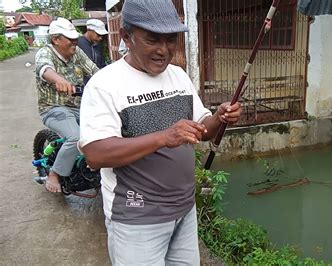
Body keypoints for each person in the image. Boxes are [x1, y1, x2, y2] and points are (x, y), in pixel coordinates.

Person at [78, 0, 242, 264]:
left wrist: (219, 117)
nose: (163, 50)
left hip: (184, 210)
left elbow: (201, 131)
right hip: (137, 219)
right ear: (126, 37)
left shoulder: (178, 76)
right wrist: (163, 137)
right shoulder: (104, 85)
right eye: (152, 40)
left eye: (171, 40)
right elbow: (96, 154)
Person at [35, 17, 99, 193]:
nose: (75, 41)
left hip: (79, 106)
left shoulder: (76, 52)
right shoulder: (45, 53)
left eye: (75, 38)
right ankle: (54, 174)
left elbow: (94, 70)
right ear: (56, 39)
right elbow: (44, 69)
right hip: (54, 108)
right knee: (75, 137)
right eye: (69, 38)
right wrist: (59, 80)